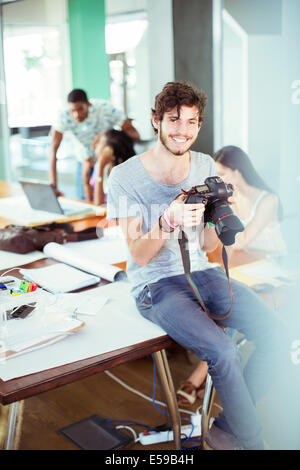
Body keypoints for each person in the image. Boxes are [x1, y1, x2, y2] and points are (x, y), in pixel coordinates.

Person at [106, 81, 282, 450]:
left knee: (279, 334)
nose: (182, 131)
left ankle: (228, 428)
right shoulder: (124, 177)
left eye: (191, 122)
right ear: (156, 121)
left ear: (199, 125)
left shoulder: (203, 164)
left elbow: (205, 245)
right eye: (173, 120)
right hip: (156, 285)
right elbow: (138, 255)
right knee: (223, 352)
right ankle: (253, 442)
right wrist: (168, 219)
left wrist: (218, 218)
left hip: (203, 272)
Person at [176, 145, 287, 407]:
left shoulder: (267, 200)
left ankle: (200, 379)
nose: (219, 179)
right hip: (246, 267)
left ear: (237, 172)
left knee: (230, 311)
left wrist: (221, 212)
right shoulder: (231, 200)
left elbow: (242, 239)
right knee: (225, 307)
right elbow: (221, 243)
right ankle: (212, 383)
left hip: (274, 273)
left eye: (223, 172)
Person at [49, 88, 139, 199]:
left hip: (110, 163)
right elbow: (53, 150)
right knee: (86, 203)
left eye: (80, 109)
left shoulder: (105, 109)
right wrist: (53, 186)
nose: (76, 115)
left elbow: (135, 135)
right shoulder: (63, 117)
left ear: (88, 104)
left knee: (114, 201)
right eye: (73, 111)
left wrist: (107, 134)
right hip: (86, 163)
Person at [89, 129, 136, 205]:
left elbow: (99, 204)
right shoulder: (105, 167)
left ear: (108, 150)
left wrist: (100, 166)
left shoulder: (122, 175)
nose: (94, 147)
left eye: (99, 143)